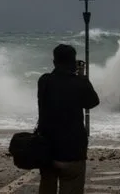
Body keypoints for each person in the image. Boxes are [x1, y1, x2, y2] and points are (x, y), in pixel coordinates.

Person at [37, 44, 100, 194]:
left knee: (47, 187)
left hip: (47, 148)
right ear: (73, 63)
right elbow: (92, 102)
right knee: (72, 185)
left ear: (54, 62)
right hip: (73, 150)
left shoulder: (44, 81)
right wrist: (83, 77)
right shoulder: (79, 83)